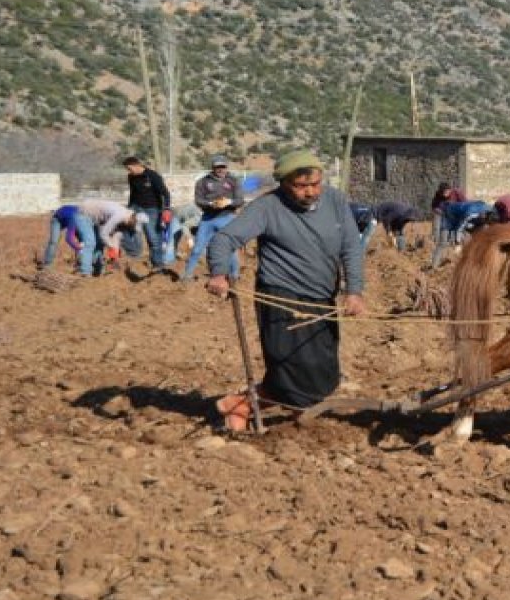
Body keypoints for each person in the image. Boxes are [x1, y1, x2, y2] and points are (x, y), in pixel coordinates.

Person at [204, 150, 366, 431]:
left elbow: (351, 246)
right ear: (284, 184)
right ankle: (265, 411)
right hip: (281, 296)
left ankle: (241, 403)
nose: (310, 192)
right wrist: (219, 273)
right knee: (292, 366)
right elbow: (224, 239)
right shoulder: (267, 207)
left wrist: (354, 291)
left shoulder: (336, 201)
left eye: (315, 184)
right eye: (301, 186)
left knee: (324, 370)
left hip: (322, 298)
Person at [181, 155, 244, 283]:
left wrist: (229, 202)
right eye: (217, 167)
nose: (221, 169)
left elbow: (240, 200)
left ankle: (234, 275)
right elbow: (198, 200)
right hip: (208, 219)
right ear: (213, 168)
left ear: (226, 167)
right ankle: (187, 275)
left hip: (227, 217)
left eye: (223, 166)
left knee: (230, 248)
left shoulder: (233, 181)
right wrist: (211, 204)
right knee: (197, 248)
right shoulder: (203, 182)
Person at [122, 156, 172, 269]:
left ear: (136, 165)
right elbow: (132, 193)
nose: (129, 171)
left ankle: (158, 264)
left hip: (152, 209)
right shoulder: (131, 177)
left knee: (153, 237)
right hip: (136, 207)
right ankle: (134, 254)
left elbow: (165, 193)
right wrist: (129, 209)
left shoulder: (152, 176)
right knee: (127, 228)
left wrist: (166, 208)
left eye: (129, 168)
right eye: (127, 169)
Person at [76, 199, 149, 276]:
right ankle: (85, 272)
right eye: (134, 225)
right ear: (133, 219)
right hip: (85, 212)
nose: (132, 228)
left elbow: (116, 237)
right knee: (90, 242)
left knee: (100, 243)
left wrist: (115, 255)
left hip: (97, 219)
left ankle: (97, 271)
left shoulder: (126, 220)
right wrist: (112, 246)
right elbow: (103, 234)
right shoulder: (119, 216)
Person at [40, 204, 93, 274]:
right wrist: (78, 247)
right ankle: (47, 265)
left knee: (82, 240)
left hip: (70, 217)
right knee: (54, 241)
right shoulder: (74, 220)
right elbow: (69, 238)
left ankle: (81, 265)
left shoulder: (86, 218)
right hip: (57, 219)